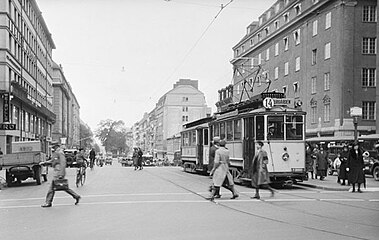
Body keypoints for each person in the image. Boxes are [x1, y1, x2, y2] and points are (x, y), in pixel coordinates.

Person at [41, 141, 81, 208]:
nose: (52, 148)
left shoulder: (60, 153)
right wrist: (45, 163)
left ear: (56, 146)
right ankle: (76, 196)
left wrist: (61, 173)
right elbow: (53, 161)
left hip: (58, 171)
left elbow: (63, 163)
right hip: (57, 171)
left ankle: (48, 202)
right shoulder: (57, 152)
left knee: (52, 187)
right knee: (63, 187)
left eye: (53, 146)